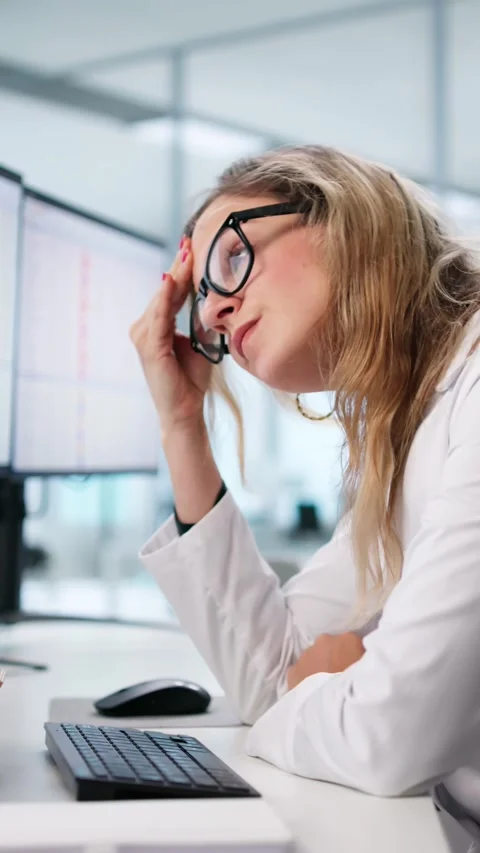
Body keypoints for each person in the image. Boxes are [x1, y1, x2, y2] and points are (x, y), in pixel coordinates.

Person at [130, 145, 480, 851]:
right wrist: (182, 425)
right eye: (203, 307)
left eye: (230, 261)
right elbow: (271, 671)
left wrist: (314, 691)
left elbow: (388, 735)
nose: (217, 313)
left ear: (338, 214)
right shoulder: (410, 436)